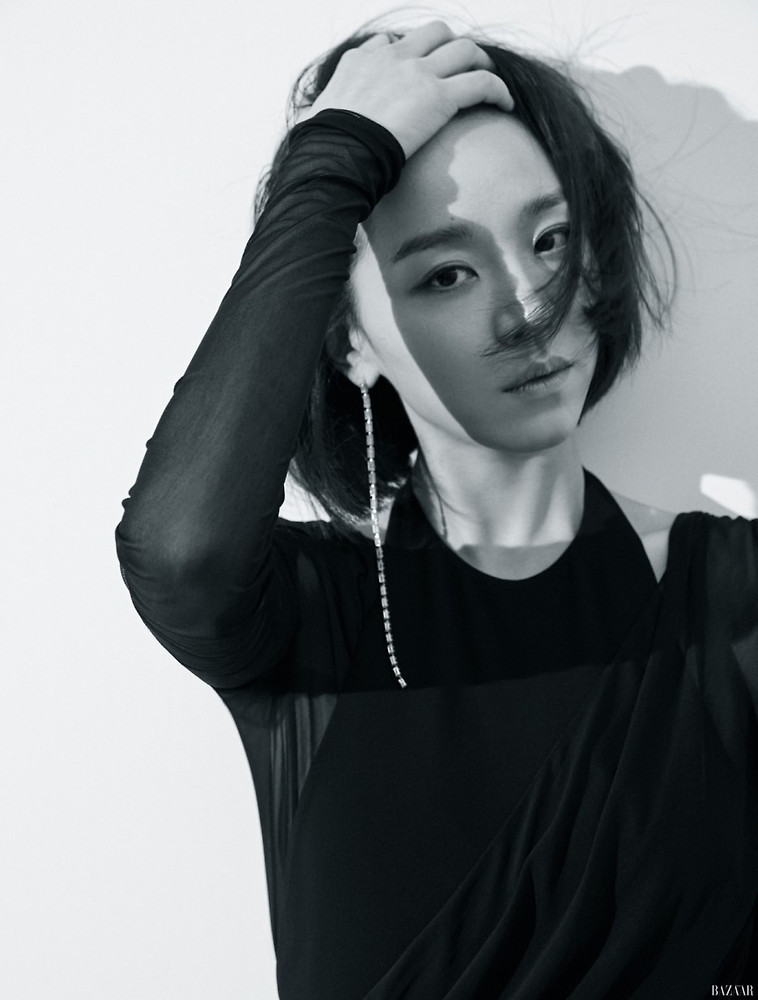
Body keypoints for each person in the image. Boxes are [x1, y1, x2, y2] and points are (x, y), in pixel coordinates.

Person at [115, 19, 758, 998]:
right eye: (445, 273)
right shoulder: (306, 622)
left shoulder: (736, 602)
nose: (526, 309)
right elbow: (178, 548)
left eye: (548, 240)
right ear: (348, 342)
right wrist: (333, 156)